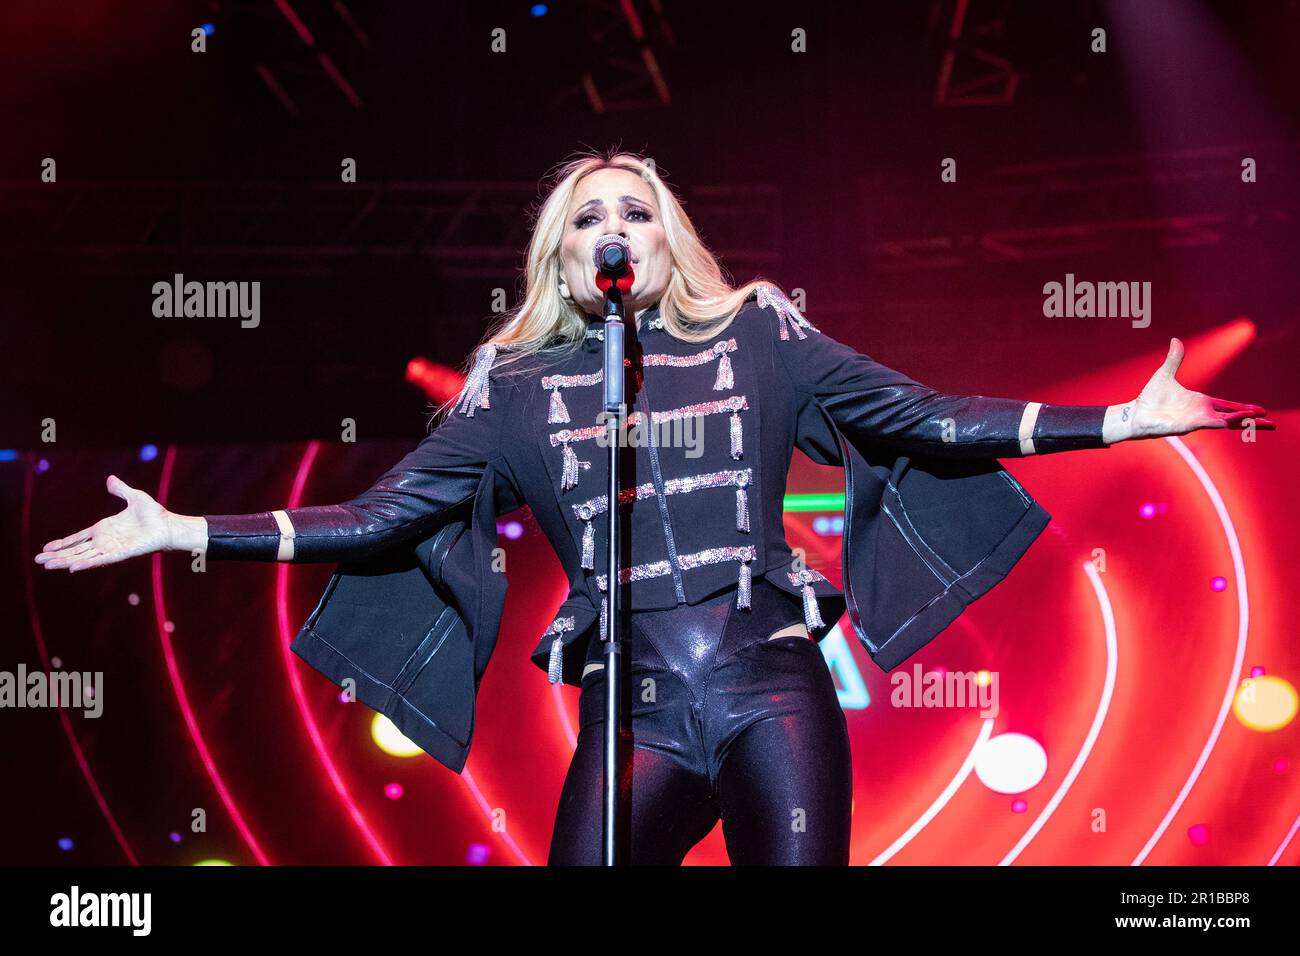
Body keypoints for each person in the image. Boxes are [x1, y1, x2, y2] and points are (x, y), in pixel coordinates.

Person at [34, 150, 1274, 865]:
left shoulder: (758, 333)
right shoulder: (510, 389)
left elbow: (924, 415)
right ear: (558, 256)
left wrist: (1120, 420)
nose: (612, 228)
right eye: (588, 216)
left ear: (669, 243)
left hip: (769, 684)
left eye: (636, 211)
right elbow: (380, 517)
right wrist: (185, 530)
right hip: (630, 707)